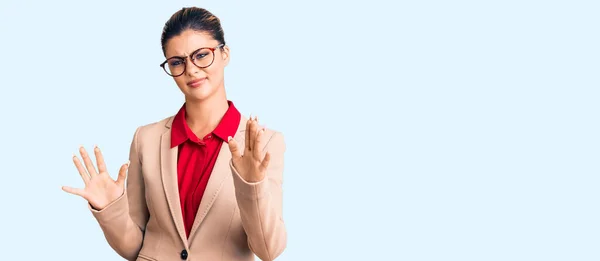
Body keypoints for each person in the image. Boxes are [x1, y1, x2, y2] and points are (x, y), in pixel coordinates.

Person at [61, 7, 287, 261]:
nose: (191, 69)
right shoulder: (145, 139)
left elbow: (269, 250)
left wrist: (252, 185)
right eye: (177, 62)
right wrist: (110, 210)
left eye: (202, 55)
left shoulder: (264, 143)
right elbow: (134, 247)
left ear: (225, 54)